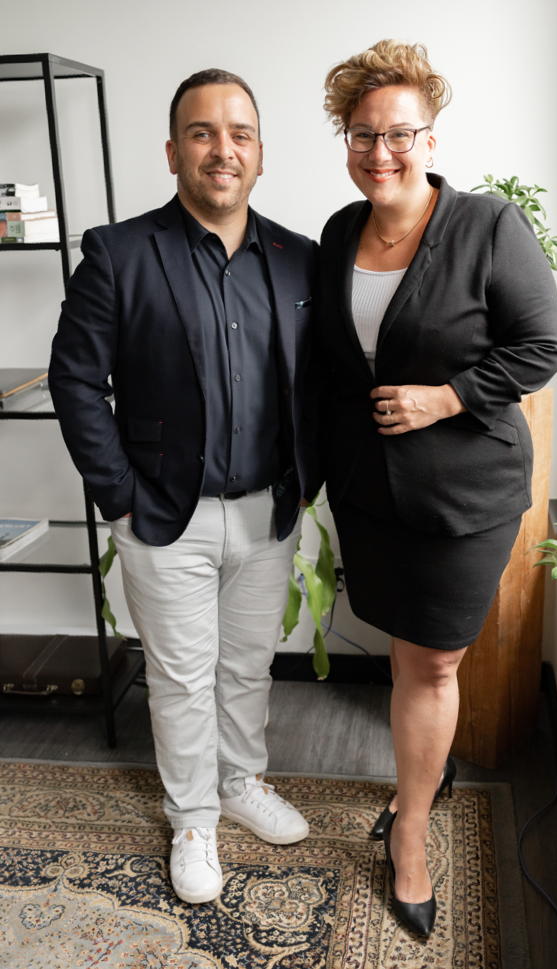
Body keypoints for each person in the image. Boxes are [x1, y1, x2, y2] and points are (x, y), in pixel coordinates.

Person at [48, 68, 319, 905]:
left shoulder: (298, 257)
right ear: (173, 151)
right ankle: (193, 817)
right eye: (203, 132)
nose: (222, 148)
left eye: (239, 133)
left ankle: (240, 782)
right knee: (180, 675)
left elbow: (319, 382)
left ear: (261, 154)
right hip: (164, 514)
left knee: (245, 666)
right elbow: (74, 380)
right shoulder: (120, 252)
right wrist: (119, 493)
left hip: (267, 511)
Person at [319, 40, 557, 937]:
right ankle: (430, 769)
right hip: (372, 494)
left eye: (399, 135)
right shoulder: (342, 234)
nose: (380, 153)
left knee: (433, 661)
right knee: (406, 653)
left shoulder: (490, 225)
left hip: (465, 496)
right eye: (361, 135)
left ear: (430, 135)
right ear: (344, 138)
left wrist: (447, 396)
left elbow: (542, 346)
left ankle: (410, 828)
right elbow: (332, 367)